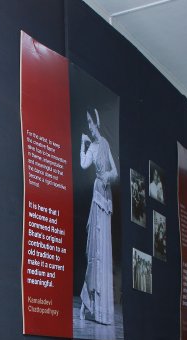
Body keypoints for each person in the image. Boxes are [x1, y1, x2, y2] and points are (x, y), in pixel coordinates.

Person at [79, 107, 118, 325]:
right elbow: (84, 164)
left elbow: (115, 172)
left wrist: (106, 177)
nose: (89, 126)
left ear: (97, 122)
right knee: (94, 249)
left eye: (90, 122)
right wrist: (82, 144)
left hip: (106, 195)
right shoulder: (93, 147)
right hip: (97, 196)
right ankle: (88, 302)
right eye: (87, 123)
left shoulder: (105, 144)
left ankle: (101, 309)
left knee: (104, 247)